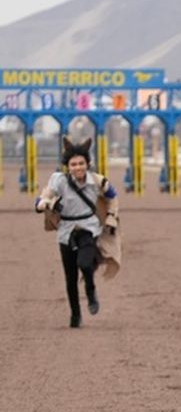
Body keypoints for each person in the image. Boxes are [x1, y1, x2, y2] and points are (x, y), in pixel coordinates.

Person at [35, 137, 120, 328]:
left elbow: (113, 197)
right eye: (73, 164)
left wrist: (112, 217)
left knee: (85, 263)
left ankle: (90, 290)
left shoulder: (98, 181)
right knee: (70, 277)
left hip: (88, 228)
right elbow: (39, 203)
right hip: (66, 231)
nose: (78, 167)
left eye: (81, 163)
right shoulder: (58, 181)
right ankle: (75, 314)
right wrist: (49, 203)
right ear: (68, 166)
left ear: (87, 164)